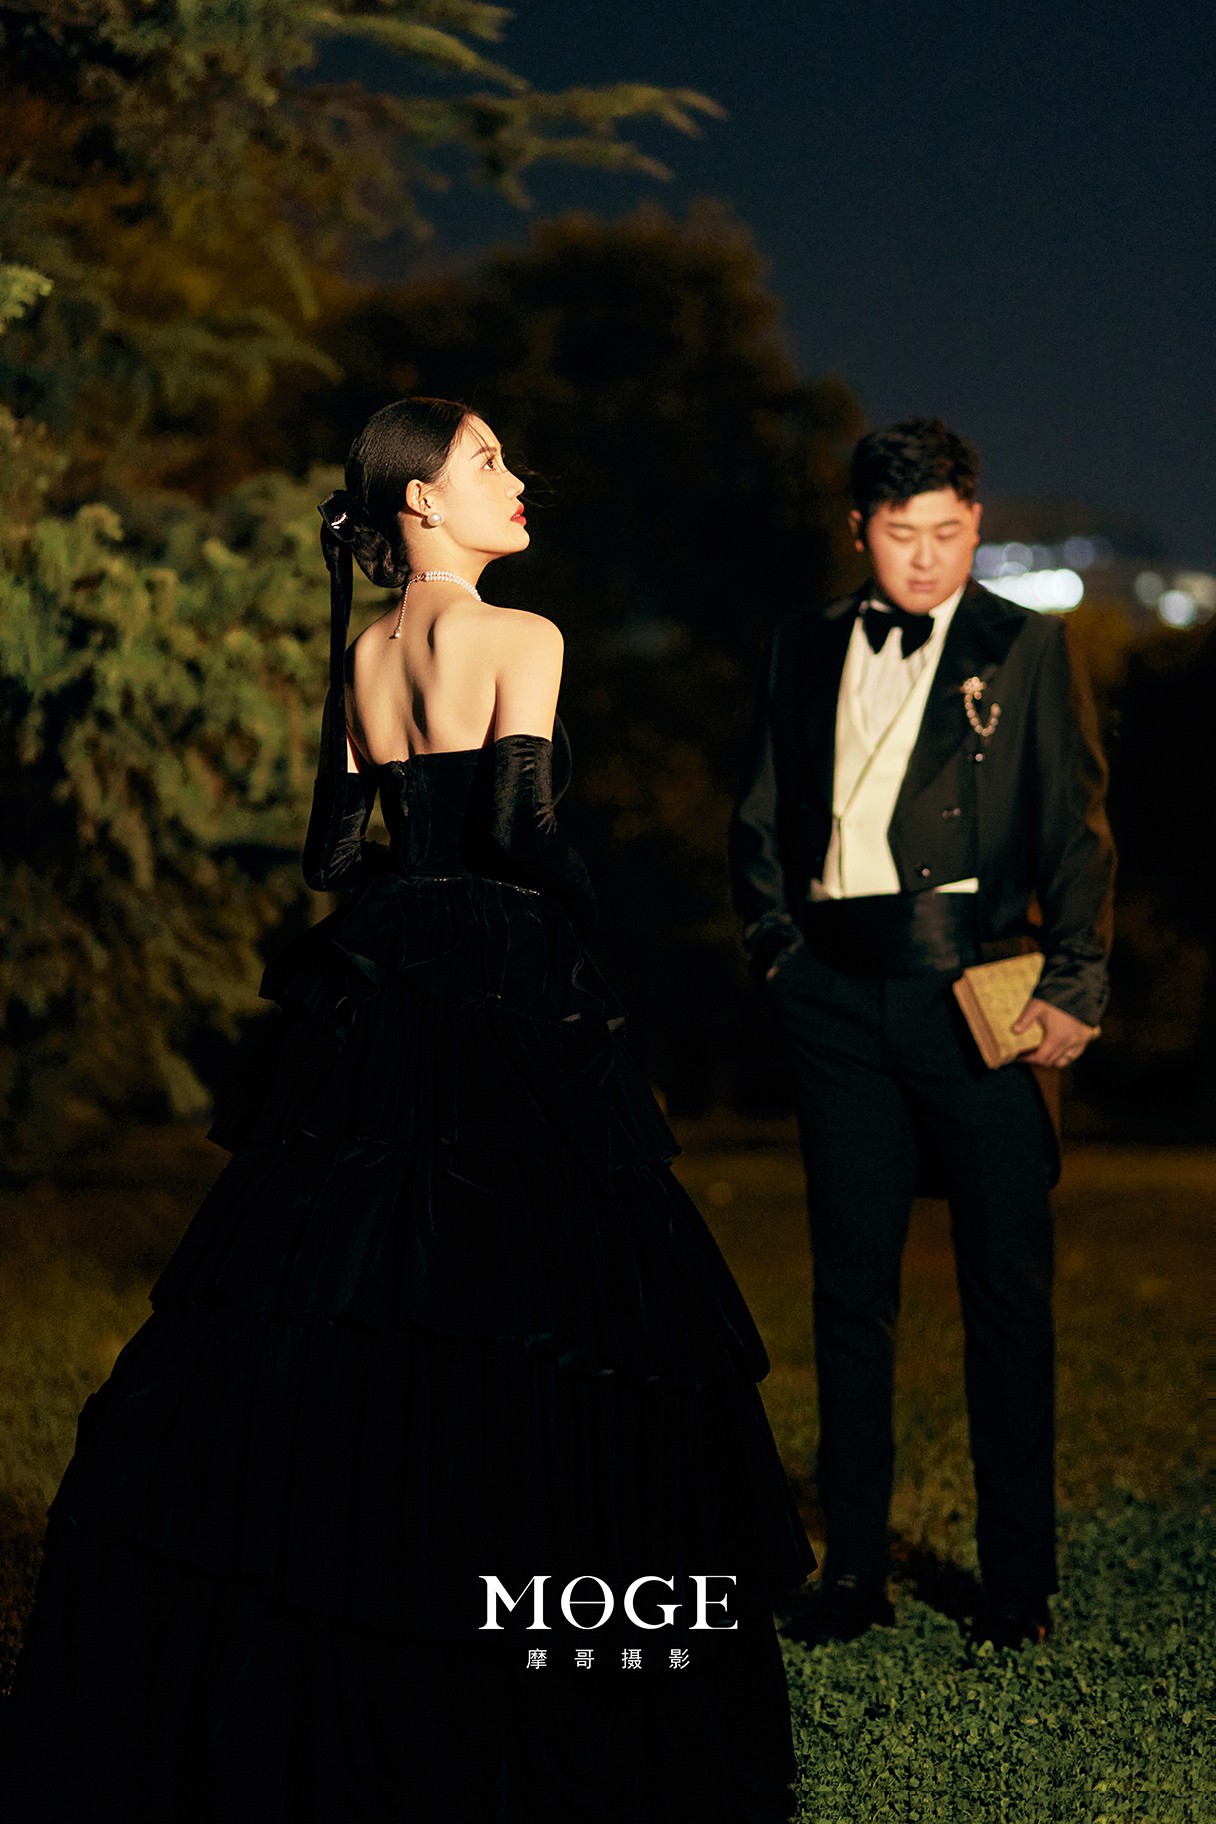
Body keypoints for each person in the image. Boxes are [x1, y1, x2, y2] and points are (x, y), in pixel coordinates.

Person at [1, 397, 816, 1821]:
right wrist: (586, 925)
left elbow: (333, 855)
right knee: (548, 1299)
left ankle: (335, 1619)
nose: (517, 479)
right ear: (420, 501)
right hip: (500, 969)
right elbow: (522, 829)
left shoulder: (365, 653)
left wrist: (411, 891)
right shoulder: (525, 636)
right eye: (487, 461)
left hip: (387, 972)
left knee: (349, 1281)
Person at [728, 417, 1115, 1650]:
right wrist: (777, 954)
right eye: (903, 535)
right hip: (835, 995)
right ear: (861, 530)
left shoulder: (1027, 647)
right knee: (851, 1294)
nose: (929, 558)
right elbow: (758, 818)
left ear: (975, 523)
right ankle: (852, 1573)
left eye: (949, 533)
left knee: (1006, 1293)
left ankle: (1016, 1587)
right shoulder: (801, 643)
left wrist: (1076, 980)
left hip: (980, 987)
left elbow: (1075, 827)